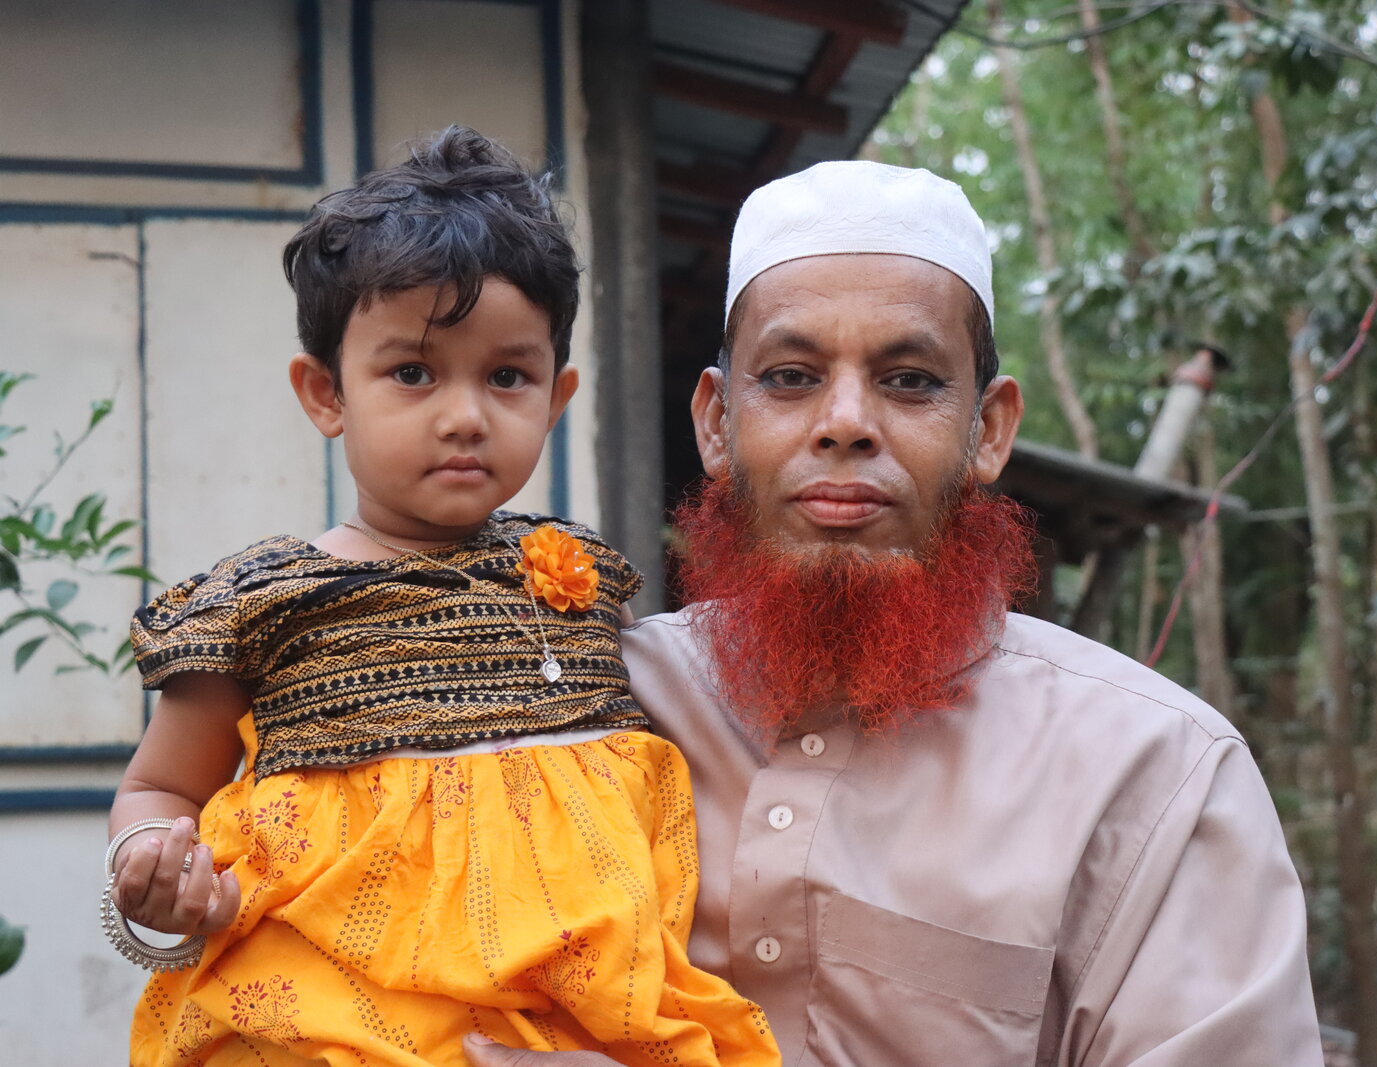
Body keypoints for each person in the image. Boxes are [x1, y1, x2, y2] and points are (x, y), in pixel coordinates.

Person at [465, 161, 1324, 1067]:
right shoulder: (586, 703)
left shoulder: (1158, 774)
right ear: (716, 423)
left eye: (910, 381)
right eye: (790, 376)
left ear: (989, 429)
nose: (845, 421)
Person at [103, 126, 777, 1067]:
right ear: (326, 393)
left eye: (507, 376)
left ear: (555, 397)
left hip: (571, 1028)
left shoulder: (580, 579)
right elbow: (162, 786)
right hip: (324, 1026)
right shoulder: (265, 602)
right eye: (413, 372)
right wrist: (150, 863)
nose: (465, 415)